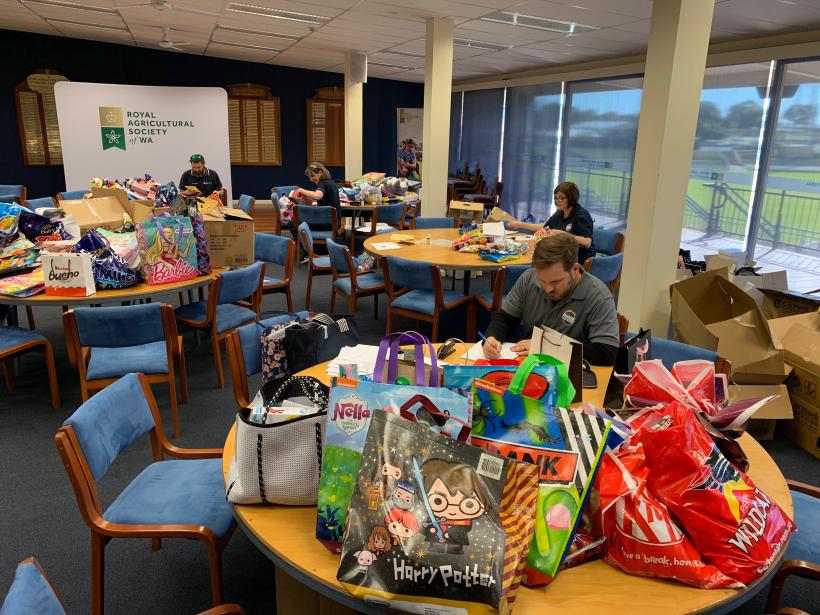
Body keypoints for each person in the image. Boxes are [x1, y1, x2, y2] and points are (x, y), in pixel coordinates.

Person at [483, 231, 619, 366]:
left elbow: (607, 352)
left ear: (575, 269)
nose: (548, 289)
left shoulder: (598, 295)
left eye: (556, 282)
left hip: (572, 375)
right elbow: (505, 318)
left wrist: (546, 348)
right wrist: (492, 337)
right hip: (530, 366)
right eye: (542, 280)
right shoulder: (529, 278)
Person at [506, 181, 595, 264]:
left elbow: (586, 243)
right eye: (556, 198)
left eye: (561, 198)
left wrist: (562, 234)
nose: (557, 201)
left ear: (571, 197)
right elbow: (545, 228)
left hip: (579, 261)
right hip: (563, 256)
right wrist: (521, 224)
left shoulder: (581, 215)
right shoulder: (560, 212)